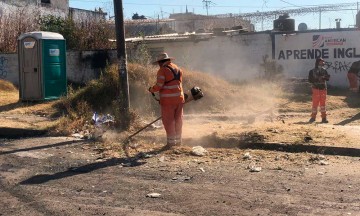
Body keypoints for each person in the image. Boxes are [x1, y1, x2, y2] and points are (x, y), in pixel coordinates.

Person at [148, 53, 185, 149]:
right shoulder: (177, 68)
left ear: (160, 62)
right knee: (178, 120)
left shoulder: (162, 70)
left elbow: (159, 86)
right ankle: (179, 142)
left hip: (168, 101)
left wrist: (151, 89)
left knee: (169, 122)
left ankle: (171, 144)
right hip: (180, 99)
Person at [308, 58, 330, 123]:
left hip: (323, 89)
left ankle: (324, 118)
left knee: (323, 104)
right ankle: (313, 117)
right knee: (315, 104)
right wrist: (318, 79)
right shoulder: (312, 71)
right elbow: (310, 80)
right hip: (315, 88)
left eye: (323, 62)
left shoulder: (325, 70)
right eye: (321, 62)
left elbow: (327, 79)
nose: (323, 63)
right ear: (318, 62)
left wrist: (326, 77)